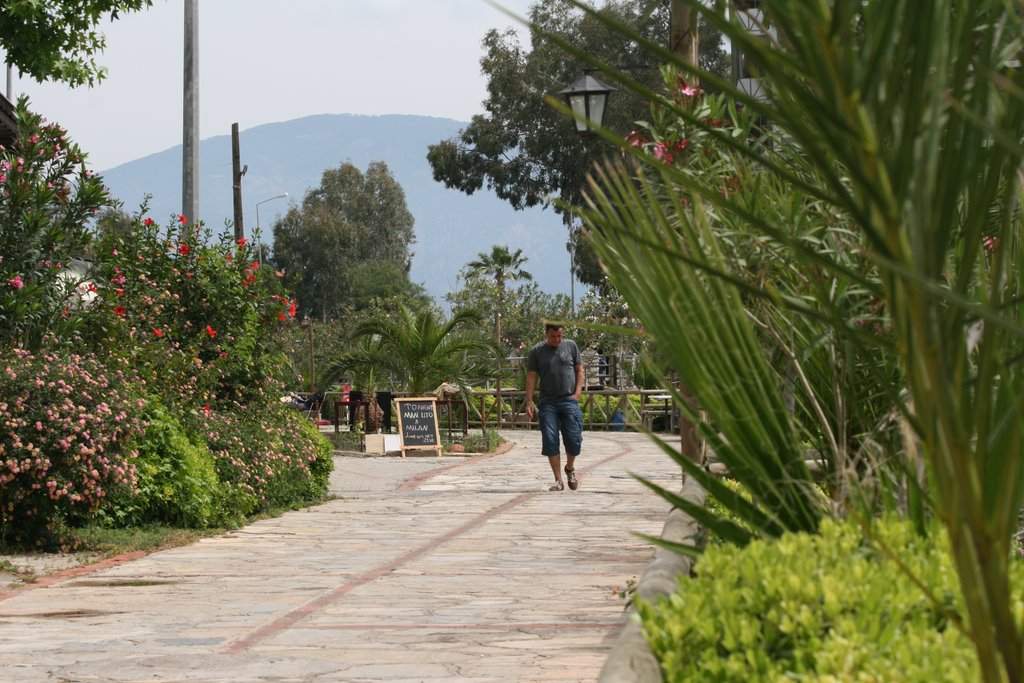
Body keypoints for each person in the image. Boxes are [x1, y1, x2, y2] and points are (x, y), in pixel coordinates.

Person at [525, 323, 585, 491]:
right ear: (546, 334)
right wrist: (529, 401)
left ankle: (570, 468)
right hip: (548, 402)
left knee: (574, 440)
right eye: (553, 336)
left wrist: (578, 393)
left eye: (559, 336)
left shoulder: (571, 346)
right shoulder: (536, 351)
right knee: (550, 440)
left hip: (569, 400)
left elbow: (580, 371)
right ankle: (558, 480)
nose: (557, 340)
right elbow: (531, 377)